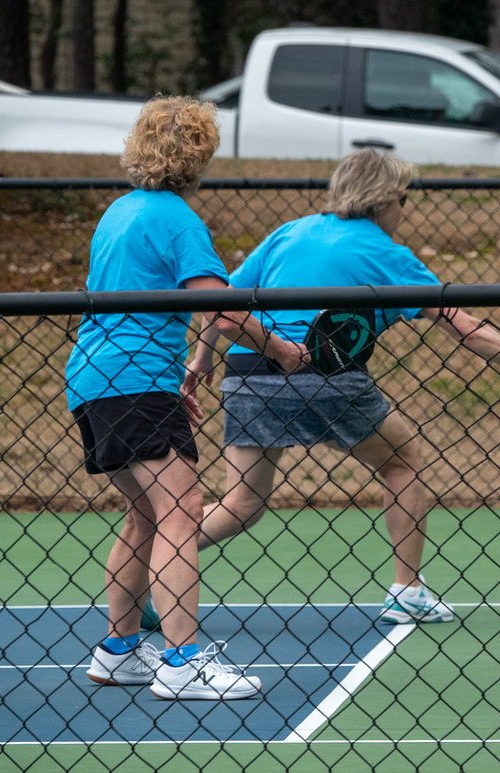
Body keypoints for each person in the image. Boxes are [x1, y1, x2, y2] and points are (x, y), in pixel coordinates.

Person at [141, 147, 500, 632]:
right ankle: (407, 590)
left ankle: (158, 574)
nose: (403, 209)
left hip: (249, 375)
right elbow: (459, 324)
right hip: (327, 379)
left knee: (241, 503)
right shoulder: (388, 254)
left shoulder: (290, 231)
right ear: (383, 201)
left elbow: (223, 300)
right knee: (402, 463)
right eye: (402, 198)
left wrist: (202, 356)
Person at [65, 96, 305, 700]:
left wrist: (173, 379)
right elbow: (221, 307)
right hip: (135, 379)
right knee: (179, 511)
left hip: (94, 381)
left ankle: (120, 649)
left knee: (145, 513)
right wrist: (279, 349)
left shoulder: (118, 213)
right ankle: (182, 661)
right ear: (200, 154)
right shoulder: (175, 217)